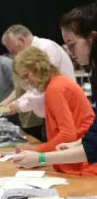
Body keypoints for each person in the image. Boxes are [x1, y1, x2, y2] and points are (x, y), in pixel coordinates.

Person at [13, 0, 97, 169]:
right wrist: (77, 144)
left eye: (72, 44)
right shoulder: (56, 84)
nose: (70, 52)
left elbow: (71, 135)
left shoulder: (55, 88)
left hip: (85, 165)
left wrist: (40, 155)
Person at [12, 46, 97, 175]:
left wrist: (37, 150)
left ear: (37, 67)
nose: (27, 81)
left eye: (27, 75)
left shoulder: (54, 88)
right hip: (81, 155)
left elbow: (68, 135)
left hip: (83, 162)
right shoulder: (57, 83)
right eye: (23, 78)